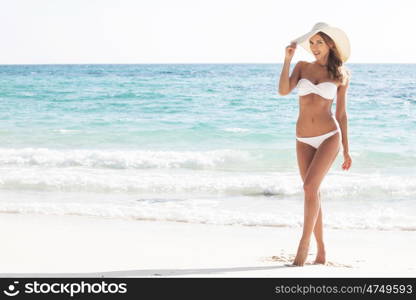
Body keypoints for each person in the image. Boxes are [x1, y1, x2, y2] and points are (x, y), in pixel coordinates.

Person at [278, 22, 352, 266]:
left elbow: (341, 114)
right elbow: (283, 91)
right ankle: (321, 251)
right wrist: (287, 60)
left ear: (330, 44)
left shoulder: (340, 74)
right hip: (303, 138)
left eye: (319, 42)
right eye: (311, 42)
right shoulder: (301, 67)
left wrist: (347, 149)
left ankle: (303, 246)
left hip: (329, 136)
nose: (313, 47)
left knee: (309, 188)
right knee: (312, 192)